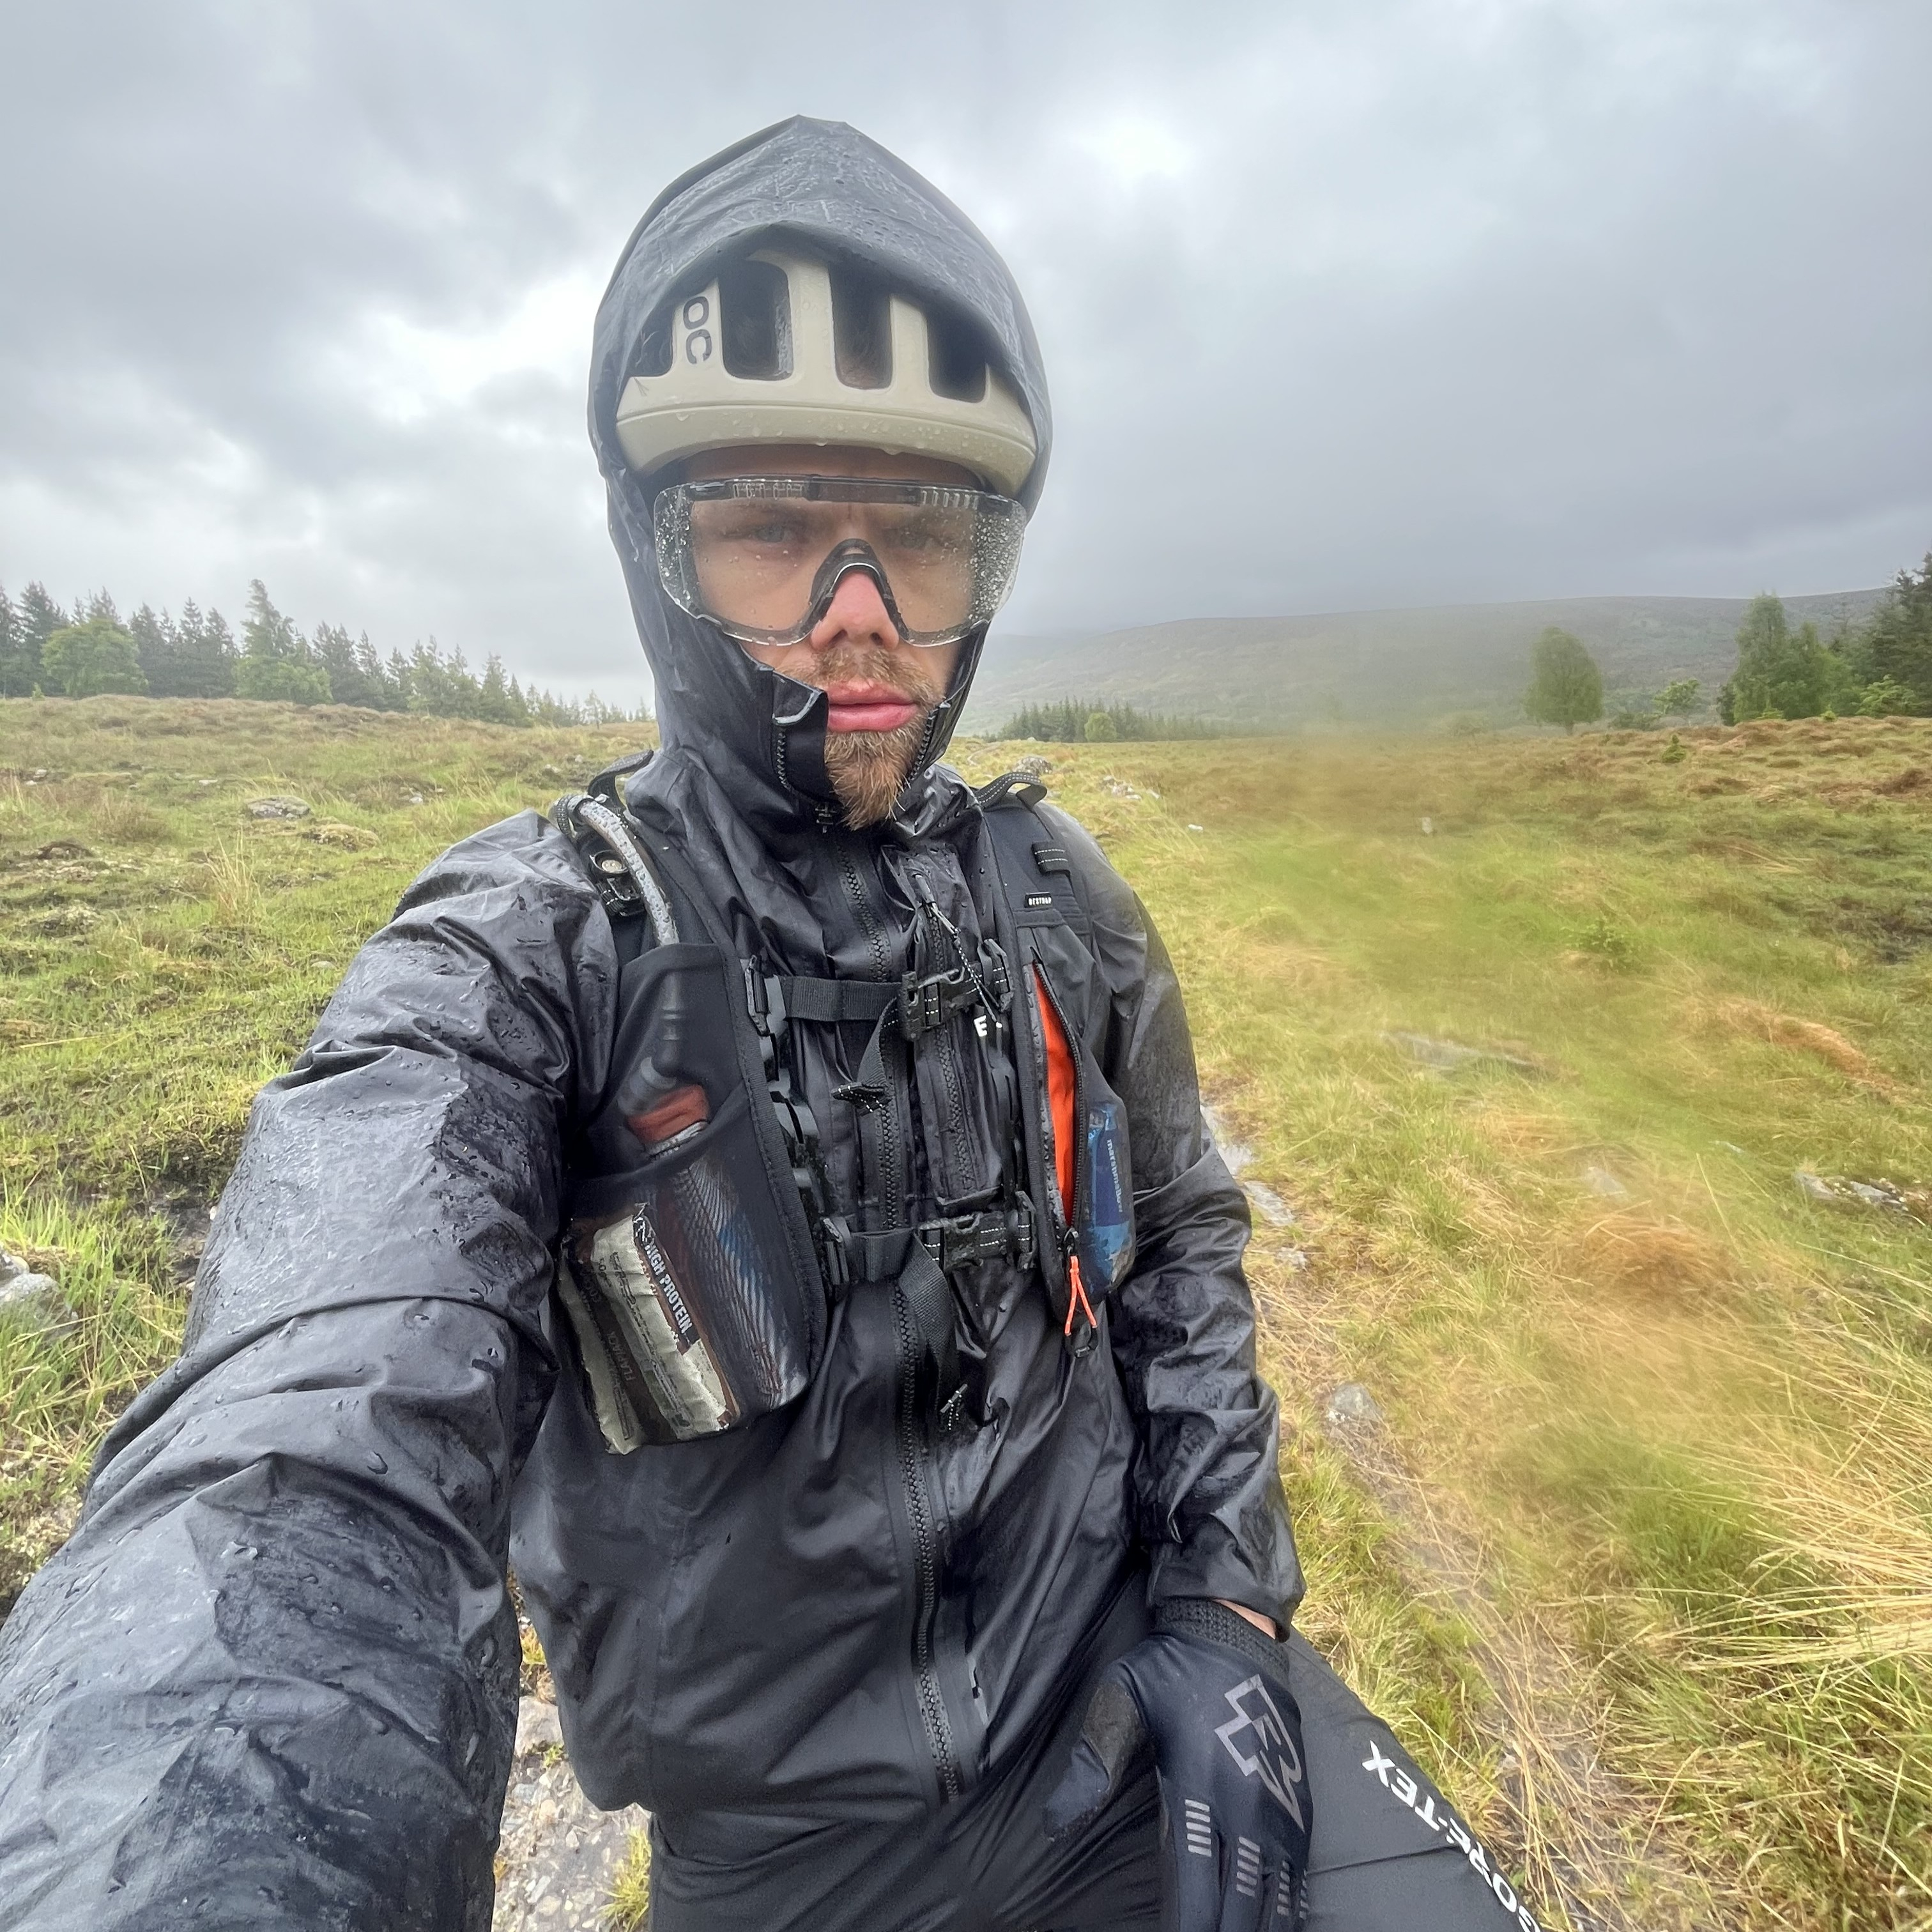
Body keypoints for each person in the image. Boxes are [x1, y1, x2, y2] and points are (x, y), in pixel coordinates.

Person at [0, 119, 1539, 1932]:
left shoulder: (1063, 899)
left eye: (922, 541)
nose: (859, 621)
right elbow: (306, 1431)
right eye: (773, 536)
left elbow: (1182, 1240)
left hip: (1126, 1721)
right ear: (658, 554)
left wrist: (1224, 1600)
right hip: (788, 1866)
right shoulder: (531, 951)